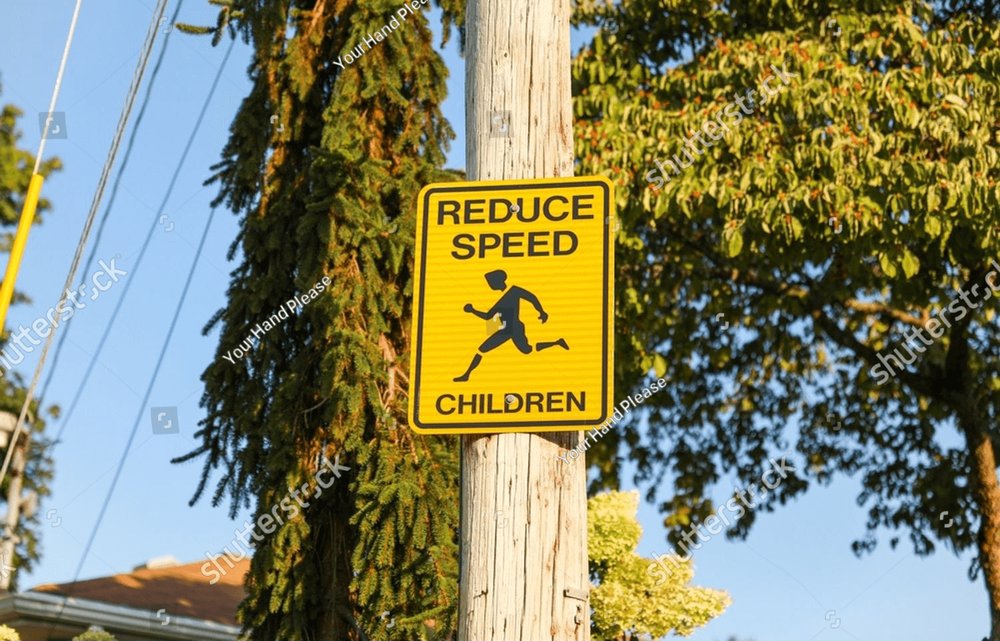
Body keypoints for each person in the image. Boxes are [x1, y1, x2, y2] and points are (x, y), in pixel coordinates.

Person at [454, 269, 568, 382]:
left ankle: (557, 342)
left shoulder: (513, 291)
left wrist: (541, 312)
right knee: (483, 349)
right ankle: (466, 375)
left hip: (514, 328)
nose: (489, 285)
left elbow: (531, 297)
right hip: (505, 328)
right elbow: (488, 317)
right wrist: (473, 311)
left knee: (527, 350)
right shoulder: (500, 298)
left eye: (490, 282)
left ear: (498, 281)